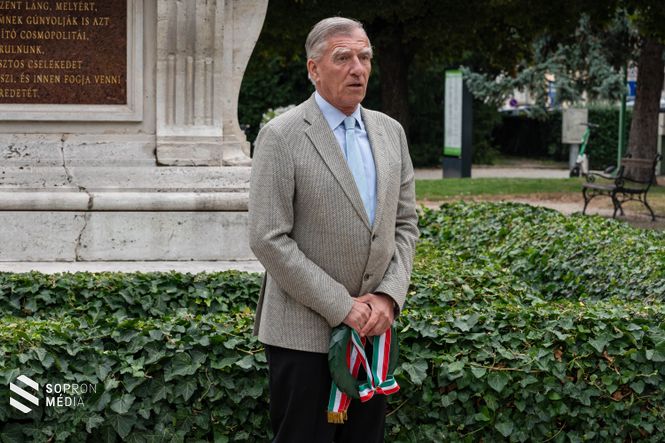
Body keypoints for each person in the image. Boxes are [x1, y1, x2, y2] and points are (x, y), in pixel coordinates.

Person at [248, 16, 418, 443]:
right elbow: (268, 237)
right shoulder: (281, 136)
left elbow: (405, 224)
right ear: (313, 68)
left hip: (373, 333)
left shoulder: (391, 132)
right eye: (343, 58)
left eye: (365, 57)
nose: (357, 68)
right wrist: (341, 306)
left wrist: (388, 296)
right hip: (302, 338)